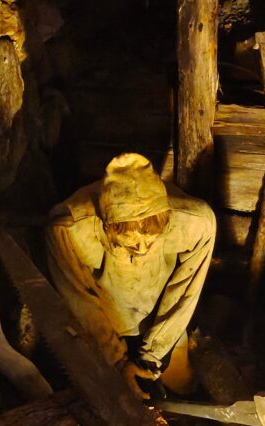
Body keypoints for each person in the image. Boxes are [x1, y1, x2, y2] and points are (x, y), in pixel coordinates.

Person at [45, 152, 216, 398]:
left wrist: (152, 358)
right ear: (109, 225)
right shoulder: (70, 229)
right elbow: (82, 304)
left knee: (182, 383)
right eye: (131, 241)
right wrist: (117, 363)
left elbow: (185, 293)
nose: (143, 248)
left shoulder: (195, 223)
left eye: (151, 238)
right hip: (107, 322)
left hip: (159, 317)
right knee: (109, 392)